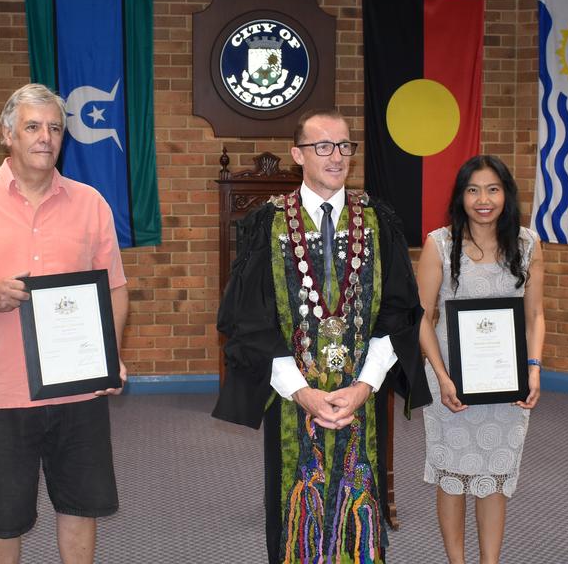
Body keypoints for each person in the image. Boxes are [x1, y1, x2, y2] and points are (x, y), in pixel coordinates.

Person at [0, 84, 129, 564]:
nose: (45, 137)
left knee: (81, 508)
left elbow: (115, 287)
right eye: (33, 126)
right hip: (1, 393)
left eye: (55, 128)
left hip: (79, 391)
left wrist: (110, 354)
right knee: (3, 518)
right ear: (7, 135)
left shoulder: (90, 202)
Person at [213, 108, 429, 564]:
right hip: (292, 396)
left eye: (345, 146)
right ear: (298, 155)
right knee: (294, 510)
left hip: (362, 396)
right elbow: (247, 320)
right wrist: (302, 392)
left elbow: (398, 310)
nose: (337, 156)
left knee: (359, 511)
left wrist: (365, 386)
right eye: (323, 146)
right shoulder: (265, 225)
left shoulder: (378, 221)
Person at [415, 154, 546, 564]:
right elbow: (421, 316)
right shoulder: (439, 244)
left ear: (506, 194)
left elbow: (535, 315)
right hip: (451, 380)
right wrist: (441, 376)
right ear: (460, 197)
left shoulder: (527, 244)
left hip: (505, 382)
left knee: (494, 476)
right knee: (452, 477)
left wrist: (535, 366)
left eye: (492, 189)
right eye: (473, 190)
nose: (483, 199)